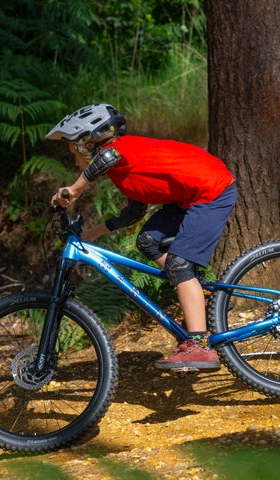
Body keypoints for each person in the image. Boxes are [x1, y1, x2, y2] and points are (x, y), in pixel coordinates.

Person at [46, 103, 236, 372]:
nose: (75, 162)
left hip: (211, 191)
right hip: (187, 198)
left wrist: (73, 190)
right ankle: (198, 294)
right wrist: (90, 235)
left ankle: (199, 347)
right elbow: (132, 213)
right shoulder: (122, 170)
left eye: (73, 153)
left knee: (180, 265)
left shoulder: (120, 151)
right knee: (148, 240)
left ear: (87, 143)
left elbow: (107, 157)